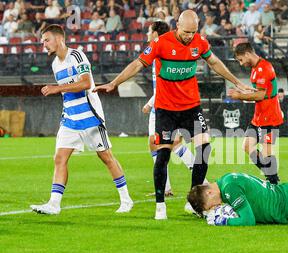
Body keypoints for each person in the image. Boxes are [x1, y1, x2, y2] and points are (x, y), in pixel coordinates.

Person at [94, 10, 252, 219]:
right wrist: (114, 83)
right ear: (177, 25)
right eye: (186, 32)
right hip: (166, 109)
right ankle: (160, 205)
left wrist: (237, 81)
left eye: (193, 32)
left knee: (204, 149)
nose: (189, 36)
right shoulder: (161, 43)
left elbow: (214, 62)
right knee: (164, 154)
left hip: (191, 106)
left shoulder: (199, 42)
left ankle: (194, 200)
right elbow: (137, 64)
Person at [30, 24, 133, 215]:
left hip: (90, 117)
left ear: (59, 39)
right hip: (70, 118)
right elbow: (68, 92)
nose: (43, 44)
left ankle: (126, 200)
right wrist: (60, 94)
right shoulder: (55, 65)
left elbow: (86, 83)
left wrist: (57, 88)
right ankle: (54, 204)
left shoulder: (77, 56)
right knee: (59, 158)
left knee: (106, 157)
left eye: (46, 40)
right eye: (43, 41)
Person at [141, 21, 204, 198]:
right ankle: (167, 187)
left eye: (149, 31)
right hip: (160, 104)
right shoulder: (157, 52)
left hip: (169, 106)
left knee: (169, 145)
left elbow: (169, 84)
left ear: (155, 34)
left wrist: (150, 103)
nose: (147, 34)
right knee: (160, 145)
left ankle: (200, 182)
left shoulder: (164, 52)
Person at [229, 42, 284, 185]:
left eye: (241, 59)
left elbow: (260, 96)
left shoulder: (264, 68)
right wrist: (246, 92)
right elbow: (261, 92)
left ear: (247, 54)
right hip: (259, 116)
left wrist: (239, 96)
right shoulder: (255, 68)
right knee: (247, 146)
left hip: (270, 116)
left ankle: (273, 183)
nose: (241, 64)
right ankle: (270, 175)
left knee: (267, 152)